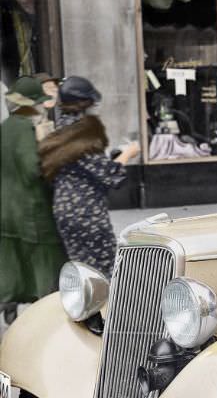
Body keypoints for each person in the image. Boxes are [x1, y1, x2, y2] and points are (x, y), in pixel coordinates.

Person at [38, 76, 140, 279]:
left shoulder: (61, 129)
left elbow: (83, 164)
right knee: (106, 273)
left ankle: (88, 309)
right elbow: (109, 175)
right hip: (86, 212)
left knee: (82, 272)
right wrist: (129, 153)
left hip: (66, 210)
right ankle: (106, 311)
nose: (95, 107)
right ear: (83, 104)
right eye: (93, 103)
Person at [0, 76, 68, 327]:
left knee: (13, 258)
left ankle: (9, 302)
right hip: (30, 208)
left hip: (6, 208)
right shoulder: (25, 130)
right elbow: (33, 169)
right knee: (46, 258)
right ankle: (46, 309)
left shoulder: (4, 128)